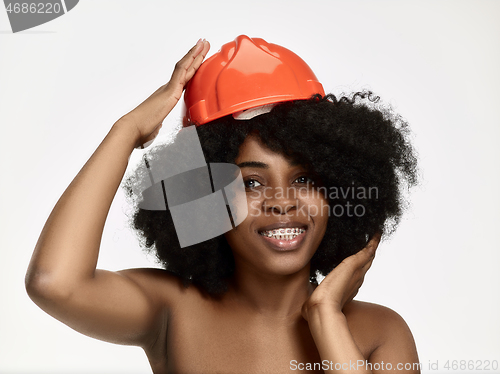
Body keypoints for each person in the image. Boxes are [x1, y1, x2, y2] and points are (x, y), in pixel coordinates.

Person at [26, 35, 420, 373]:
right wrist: (126, 131)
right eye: (251, 182)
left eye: (302, 179)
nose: (281, 202)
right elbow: (54, 283)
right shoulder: (173, 310)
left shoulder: (380, 331)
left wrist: (326, 317)